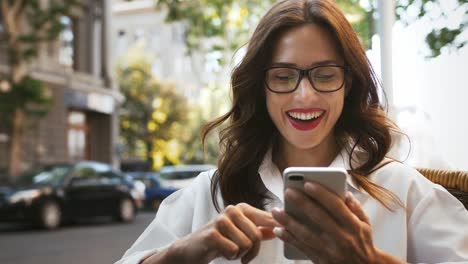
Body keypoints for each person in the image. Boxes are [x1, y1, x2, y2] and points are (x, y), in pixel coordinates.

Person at [116, 0, 468, 263]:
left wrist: (370, 261)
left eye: (325, 74)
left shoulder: (403, 191)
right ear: (260, 87)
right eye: (283, 76)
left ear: (349, 85)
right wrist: (181, 252)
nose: (305, 95)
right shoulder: (208, 194)